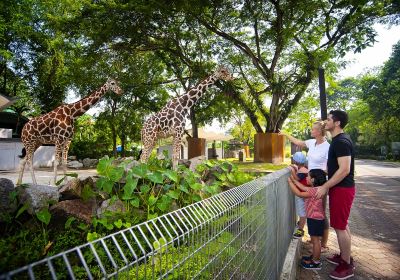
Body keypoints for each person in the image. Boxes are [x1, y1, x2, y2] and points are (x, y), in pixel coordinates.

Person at [315, 110, 355, 279]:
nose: (326, 122)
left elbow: (345, 169)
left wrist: (325, 186)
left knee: (340, 227)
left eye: (329, 119)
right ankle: (345, 256)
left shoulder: (341, 142)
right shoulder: (338, 140)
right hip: (340, 188)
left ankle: (346, 265)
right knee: (342, 224)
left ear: (337, 123)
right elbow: (338, 166)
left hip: (342, 189)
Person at [279, 121, 330, 250]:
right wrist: (285, 134)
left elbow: (330, 168)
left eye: (313, 129)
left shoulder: (328, 147)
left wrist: (318, 177)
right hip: (309, 181)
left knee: (320, 212)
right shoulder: (311, 143)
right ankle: (315, 239)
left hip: (319, 183)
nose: (311, 131)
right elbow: (298, 142)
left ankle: (322, 243)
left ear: (319, 132)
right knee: (312, 211)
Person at [288, 169, 327, 270]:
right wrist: (294, 180)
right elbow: (303, 187)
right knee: (315, 240)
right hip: (315, 218)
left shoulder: (314, 191)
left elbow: (299, 193)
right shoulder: (317, 188)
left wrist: (289, 183)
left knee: (315, 241)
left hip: (315, 219)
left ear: (313, 179)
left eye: (308, 176)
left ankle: (316, 262)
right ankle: (314, 257)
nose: (306, 178)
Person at [289, 151, 308, 239]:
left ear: (296, 161)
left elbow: (297, 178)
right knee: (302, 212)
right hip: (303, 194)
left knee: (302, 213)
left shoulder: (302, 171)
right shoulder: (304, 169)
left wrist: (292, 171)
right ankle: (300, 224)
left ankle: (300, 230)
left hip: (301, 195)